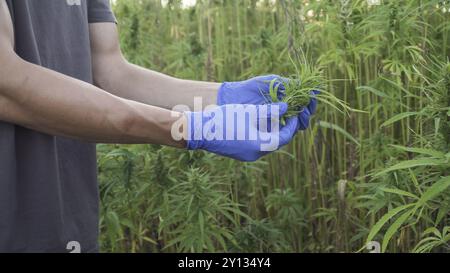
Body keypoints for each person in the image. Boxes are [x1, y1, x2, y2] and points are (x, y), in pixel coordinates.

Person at [0, 0, 317, 253]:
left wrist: (222, 96)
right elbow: (7, 86)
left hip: (72, 226)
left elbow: (110, 73)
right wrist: (188, 128)